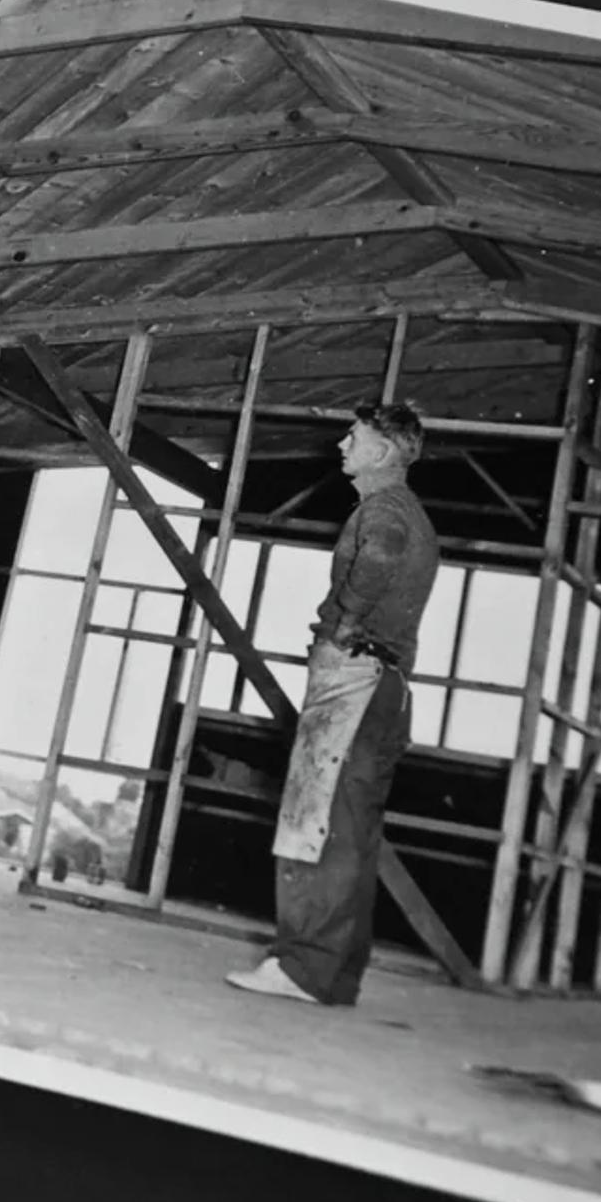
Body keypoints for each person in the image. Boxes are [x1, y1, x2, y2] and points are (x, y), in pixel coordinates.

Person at [227, 402, 439, 1008]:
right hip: (386, 686)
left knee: (314, 821)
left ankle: (303, 968)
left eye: (355, 437)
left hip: (356, 677)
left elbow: (378, 555)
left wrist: (341, 624)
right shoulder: (410, 511)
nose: (342, 444)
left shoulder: (385, 510)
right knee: (351, 832)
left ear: (382, 453)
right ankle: (335, 971)